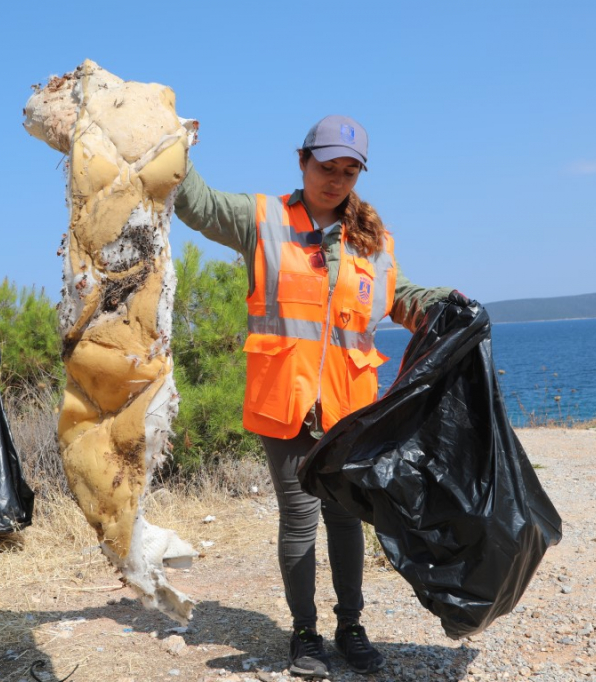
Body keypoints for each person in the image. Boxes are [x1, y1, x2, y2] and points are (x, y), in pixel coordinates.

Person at [173, 115, 470, 678]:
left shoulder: (374, 241)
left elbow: (396, 297)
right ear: (302, 161)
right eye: (325, 167)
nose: (335, 180)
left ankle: (351, 628)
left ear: (358, 173)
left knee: (346, 520)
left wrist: (444, 303)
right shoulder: (262, 219)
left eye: (348, 170)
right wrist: (170, 142)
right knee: (300, 519)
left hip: (349, 407)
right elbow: (198, 204)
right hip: (284, 400)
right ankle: (305, 636)